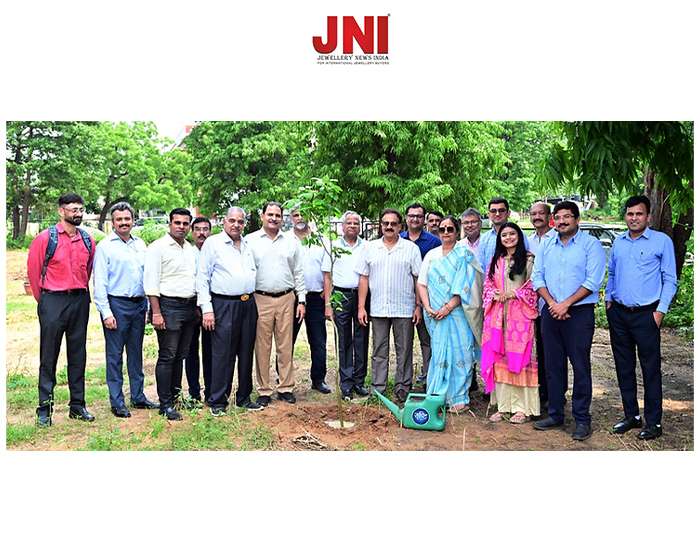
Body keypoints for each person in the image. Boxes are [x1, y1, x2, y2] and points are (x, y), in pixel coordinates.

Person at [532, 201, 606, 441]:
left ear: (577, 219)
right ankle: (555, 413)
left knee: (580, 365)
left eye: (567, 217)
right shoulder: (547, 244)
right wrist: (553, 303)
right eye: (558, 217)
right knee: (553, 365)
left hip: (579, 313)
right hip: (550, 312)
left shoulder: (590, 245)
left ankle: (582, 419)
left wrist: (566, 304)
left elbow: (593, 280)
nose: (562, 221)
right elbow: (537, 277)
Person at [605, 195, 677, 440]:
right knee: (624, 367)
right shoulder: (619, 242)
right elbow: (612, 271)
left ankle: (654, 422)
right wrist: (608, 299)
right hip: (619, 314)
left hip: (647, 314)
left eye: (639, 214)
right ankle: (631, 416)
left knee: (650, 369)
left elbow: (670, 279)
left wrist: (660, 311)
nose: (634, 218)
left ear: (648, 216)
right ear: (625, 216)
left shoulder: (661, 241)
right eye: (630, 214)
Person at [27, 193, 96, 427]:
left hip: (79, 300)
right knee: (49, 356)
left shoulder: (87, 239)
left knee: (78, 355)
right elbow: (34, 274)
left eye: (80, 209)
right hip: (53, 301)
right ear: (61, 211)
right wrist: (45, 303)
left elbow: (88, 269)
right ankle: (44, 409)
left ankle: (78, 406)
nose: (77, 213)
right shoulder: (45, 239)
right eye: (72, 209)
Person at [93, 201, 158, 418]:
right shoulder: (105, 247)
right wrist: (106, 313)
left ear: (133, 220)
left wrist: (148, 305)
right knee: (115, 356)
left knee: (136, 354)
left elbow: (146, 277)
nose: (123, 223)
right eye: (119, 219)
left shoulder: (141, 245)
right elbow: (99, 282)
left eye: (127, 219)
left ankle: (138, 396)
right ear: (113, 222)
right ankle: (117, 401)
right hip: (117, 305)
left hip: (138, 305)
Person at [197, 207, 263, 415]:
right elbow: (202, 278)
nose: (236, 225)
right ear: (224, 221)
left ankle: (243, 396)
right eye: (232, 220)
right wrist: (207, 309)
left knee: (245, 351)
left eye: (240, 221)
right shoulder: (213, 244)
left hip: (247, 304)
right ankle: (217, 400)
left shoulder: (247, 245)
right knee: (222, 353)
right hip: (223, 304)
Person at [417, 216, 483, 412]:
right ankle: (437, 395)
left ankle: (458, 398)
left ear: (457, 231)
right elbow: (421, 283)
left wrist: (447, 308)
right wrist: (428, 307)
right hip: (434, 315)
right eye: (442, 229)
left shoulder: (464, 255)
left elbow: (465, 288)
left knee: (460, 353)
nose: (446, 233)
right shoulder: (431, 255)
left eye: (450, 229)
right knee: (439, 355)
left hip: (457, 313)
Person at [357, 208, 422, 404]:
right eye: (385, 223)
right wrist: (361, 307)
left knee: (404, 349)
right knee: (379, 350)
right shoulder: (370, 248)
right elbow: (363, 278)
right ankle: (378, 388)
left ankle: (403, 387)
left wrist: (418, 306)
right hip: (378, 308)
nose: (389, 227)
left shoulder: (411, 249)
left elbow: (418, 279)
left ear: (400, 226)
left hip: (404, 308)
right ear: (380, 226)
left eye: (393, 224)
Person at [247, 201, 305, 406]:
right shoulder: (250, 241)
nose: (273, 218)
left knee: (285, 345)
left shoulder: (291, 242)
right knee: (262, 346)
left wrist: (302, 300)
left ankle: (286, 387)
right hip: (260, 299)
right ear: (262, 216)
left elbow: (298, 272)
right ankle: (264, 390)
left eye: (277, 215)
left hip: (287, 298)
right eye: (270, 214)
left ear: (282, 218)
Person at [481, 222, 539, 424]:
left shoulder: (528, 259)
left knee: (521, 360)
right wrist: (494, 294)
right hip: (497, 316)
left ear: (519, 236)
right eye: (504, 235)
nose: (508, 238)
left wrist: (513, 293)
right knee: (500, 360)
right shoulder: (496, 260)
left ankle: (523, 409)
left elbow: (533, 285)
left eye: (512, 234)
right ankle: (504, 406)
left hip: (520, 316)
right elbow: (487, 285)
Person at [144, 208, 198, 421]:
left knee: (181, 356)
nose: (182, 227)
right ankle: (165, 403)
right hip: (168, 306)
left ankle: (175, 397)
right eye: (178, 223)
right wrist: (156, 312)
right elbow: (151, 283)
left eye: (185, 224)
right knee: (167, 355)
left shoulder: (190, 249)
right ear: (170, 223)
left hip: (189, 307)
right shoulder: (157, 248)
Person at [322, 211, 370, 399]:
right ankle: (346, 384)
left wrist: (362, 304)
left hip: (362, 295)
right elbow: (327, 276)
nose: (352, 226)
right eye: (348, 223)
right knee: (344, 340)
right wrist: (328, 304)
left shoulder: (366, 246)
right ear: (342, 226)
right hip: (340, 295)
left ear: (359, 226)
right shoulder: (333, 246)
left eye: (356, 223)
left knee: (361, 338)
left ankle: (359, 381)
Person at [288, 208, 330, 393]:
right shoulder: (284, 239)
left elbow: (328, 272)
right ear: (290, 218)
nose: (300, 218)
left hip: (316, 297)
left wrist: (328, 299)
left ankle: (318, 379)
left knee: (318, 341)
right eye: (296, 215)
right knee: (286, 340)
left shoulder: (322, 240)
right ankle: (284, 379)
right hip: (291, 297)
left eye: (303, 214)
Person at [399, 203, 440, 386]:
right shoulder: (398, 239)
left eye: (419, 216)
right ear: (406, 218)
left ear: (423, 220)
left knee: (427, 341)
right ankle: (404, 381)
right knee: (404, 343)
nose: (415, 219)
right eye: (411, 215)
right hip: (402, 299)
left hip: (427, 300)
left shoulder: (433, 242)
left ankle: (428, 377)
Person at [527, 201, 556, 409]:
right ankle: (537, 391)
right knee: (533, 351)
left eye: (541, 214)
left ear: (549, 216)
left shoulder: (556, 239)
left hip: (550, 305)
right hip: (528, 307)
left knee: (550, 353)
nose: (537, 217)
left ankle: (553, 395)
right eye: (533, 214)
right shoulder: (527, 241)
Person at [183, 216, 213, 404]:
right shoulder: (187, 253)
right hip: (190, 308)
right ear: (192, 232)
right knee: (190, 351)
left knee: (210, 350)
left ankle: (211, 390)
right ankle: (194, 392)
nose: (202, 233)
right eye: (198, 229)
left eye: (205, 229)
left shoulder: (215, 251)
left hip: (211, 308)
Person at [478, 197, 511, 272]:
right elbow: (481, 267)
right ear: (488, 214)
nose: (497, 214)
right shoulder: (484, 238)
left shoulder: (519, 235)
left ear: (508, 213)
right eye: (493, 211)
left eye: (501, 210)